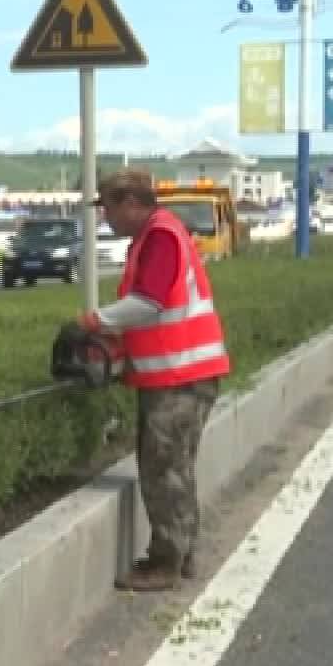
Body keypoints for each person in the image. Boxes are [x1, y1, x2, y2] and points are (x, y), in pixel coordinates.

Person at [74, 167, 232, 592]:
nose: (105, 217)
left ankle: (167, 561)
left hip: (180, 376)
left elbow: (148, 304)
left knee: (166, 470)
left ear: (130, 203)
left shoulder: (161, 236)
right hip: (178, 374)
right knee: (172, 467)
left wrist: (97, 321)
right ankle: (182, 551)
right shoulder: (155, 237)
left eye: (107, 207)